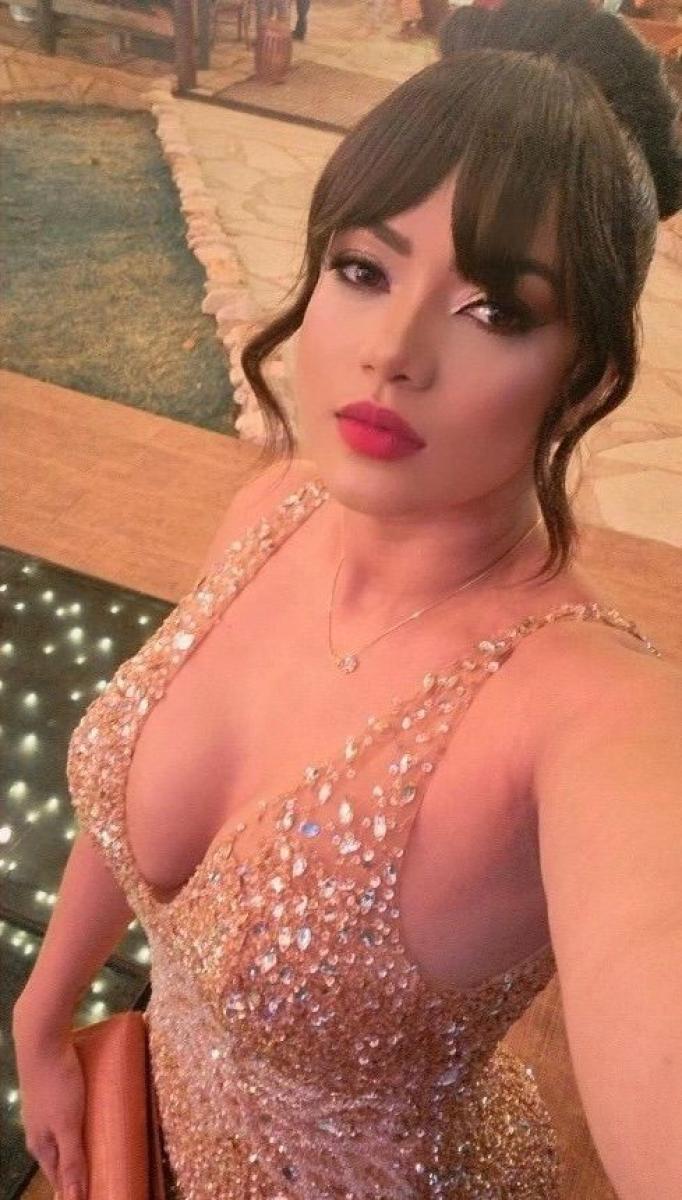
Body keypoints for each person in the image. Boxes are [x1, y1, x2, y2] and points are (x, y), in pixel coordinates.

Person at [12, 0, 682, 1196]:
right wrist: (44, 1009)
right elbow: (129, 808)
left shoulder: (591, 710)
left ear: (585, 374)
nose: (394, 351)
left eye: (497, 309)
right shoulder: (273, 504)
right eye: (364, 269)